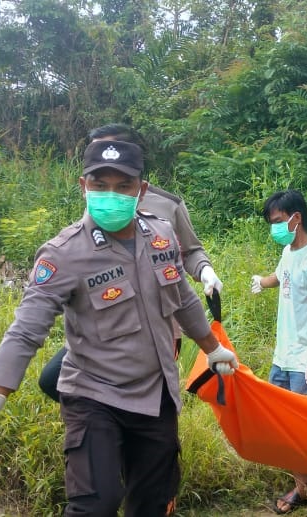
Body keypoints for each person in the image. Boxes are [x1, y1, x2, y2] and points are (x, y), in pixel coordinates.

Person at [0, 140, 238, 516]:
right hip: (95, 396)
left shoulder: (161, 234)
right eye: (100, 186)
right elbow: (24, 333)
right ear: (83, 187)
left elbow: (183, 299)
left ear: (142, 191)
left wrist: (212, 348)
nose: (110, 195)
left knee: (152, 504)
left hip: (156, 395)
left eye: (123, 186)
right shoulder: (63, 253)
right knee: (95, 505)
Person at [37, 123, 222, 402]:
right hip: (100, 324)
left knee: (148, 400)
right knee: (57, 380)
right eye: (93, 153)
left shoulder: (167, 206)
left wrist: (205, 271)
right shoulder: (94, 196)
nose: (101, 161)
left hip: (157, 324)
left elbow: (190, 251)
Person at [248, 189, 307, 514]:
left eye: (277, 221)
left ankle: (304, 488)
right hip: (282, 356)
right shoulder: (289, 251)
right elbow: (282, 275)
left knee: (302, 428)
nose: (274, 227)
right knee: (283, 424)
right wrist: (263, 281)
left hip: (305, 360)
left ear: (295, 219)